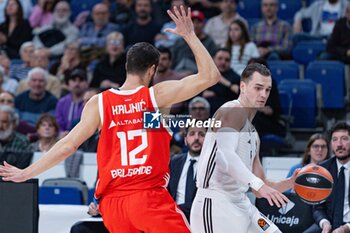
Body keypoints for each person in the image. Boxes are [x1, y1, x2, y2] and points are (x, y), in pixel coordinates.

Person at [0, 6, 220, 233]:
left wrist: (27, 172)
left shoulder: (98, 103)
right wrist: (189, 35)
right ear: (152, 70)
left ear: (126, 66)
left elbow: (67, 145)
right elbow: (211, 76)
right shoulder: (156, 96)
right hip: (147, 197)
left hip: (113, 204)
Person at [190, 63, 298, 233]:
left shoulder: (254, 134)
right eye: (258, 88)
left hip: (242, 203)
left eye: (268, 90)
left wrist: (291, 182)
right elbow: (225, 157)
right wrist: (259, 185)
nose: (263, 94)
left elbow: (259, 188)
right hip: (216, 202)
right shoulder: (232, 110)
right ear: (243, 86)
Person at [304, 122, 350, 233]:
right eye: (334, 140)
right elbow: (317, 207)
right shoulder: (322, 169)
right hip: (329, 224)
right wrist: (324, 222)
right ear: (331, 145)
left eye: (344, 139)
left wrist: (346, 228)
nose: (339, 144)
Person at [168, 125, 206, 222]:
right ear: (185, 140)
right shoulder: (174, 161)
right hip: (174, 218)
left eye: (201, 134)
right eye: (192, 134)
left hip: (201, 218)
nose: (196, 138)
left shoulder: (213, 165)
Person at [0, 104, 31, 169]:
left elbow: (23, 167)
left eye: (4, 122)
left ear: (13, 123)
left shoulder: (23, 142)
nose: (0, 126)